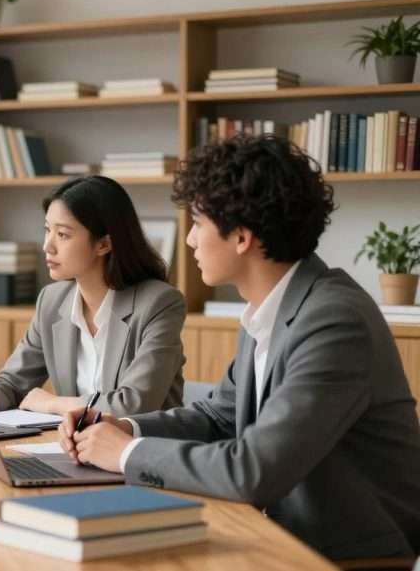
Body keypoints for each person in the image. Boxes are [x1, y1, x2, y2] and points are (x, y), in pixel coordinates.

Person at [60, 135, 420, 561]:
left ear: (242, 237)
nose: (190, 240)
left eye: (197, 223)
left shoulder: (334, 321)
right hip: (280, 538)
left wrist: (126, 454)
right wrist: (127, 428)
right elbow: (217, 416)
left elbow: (254, 471)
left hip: (347, 557)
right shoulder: (268, 310)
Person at [0, 176, 186, 417]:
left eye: (63, 235)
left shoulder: (159, 303)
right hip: (73, 448)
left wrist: (53, 404)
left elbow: (134, 403)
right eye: (47, 230)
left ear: (103, 244)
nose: (47, 246)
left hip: (140, 449)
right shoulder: (52, 301)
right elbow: (13, 382)